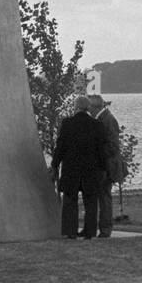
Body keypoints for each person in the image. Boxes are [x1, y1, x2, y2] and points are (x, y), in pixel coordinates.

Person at [50, 95, 109, 239]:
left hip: (72, 169)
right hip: (91, 169)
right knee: (91, 202)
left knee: (70, 200)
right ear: (88, 108)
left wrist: (55, 164)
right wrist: (104, 168)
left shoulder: (67, 124)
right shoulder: (97, 125)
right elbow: (102, 150)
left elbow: (61, 146)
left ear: (75, 107)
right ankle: (89, 232)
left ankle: (70, 231)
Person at [88, 94, 122, 238]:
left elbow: (113, 145)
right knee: (101, 196)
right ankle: (101, 227)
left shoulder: (108, 120)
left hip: (106, 166)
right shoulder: (102, 119)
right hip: (103, 164)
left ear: (95, 107)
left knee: (104, 197)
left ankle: (106, 228)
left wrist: (97, 155)